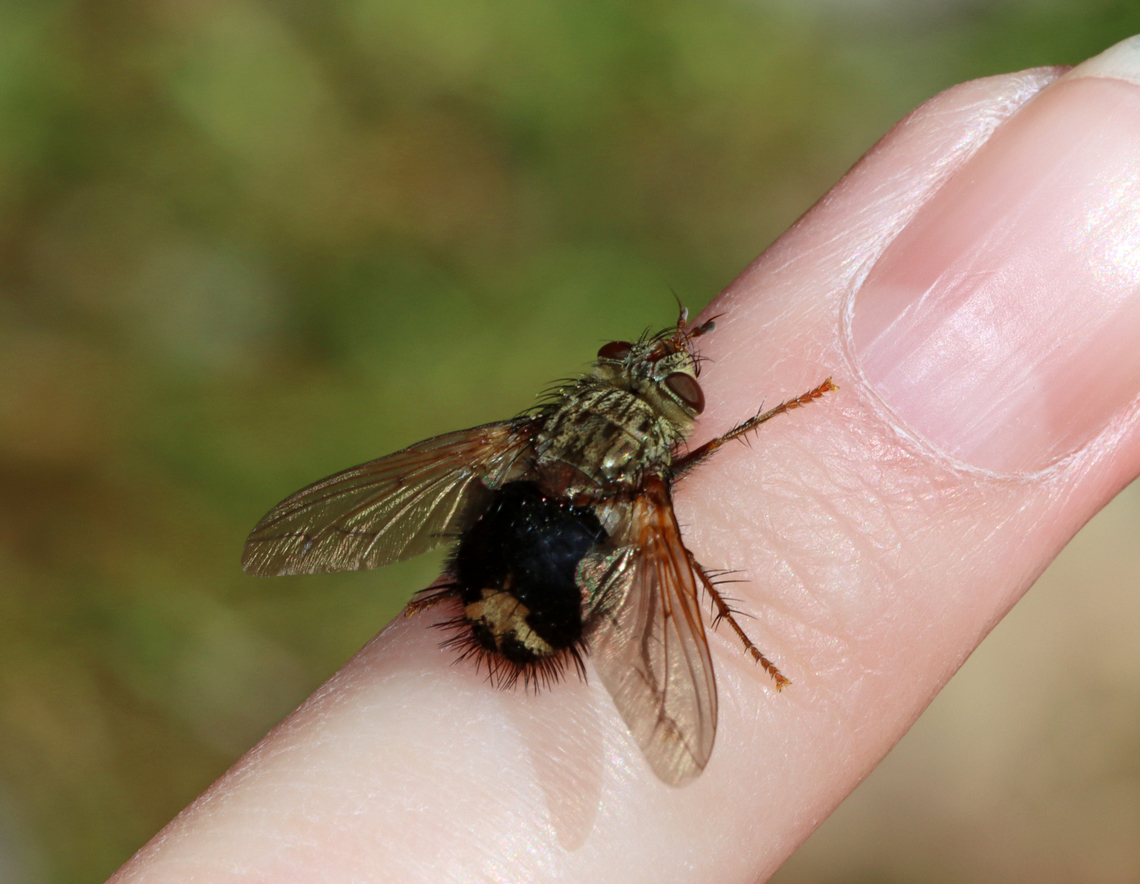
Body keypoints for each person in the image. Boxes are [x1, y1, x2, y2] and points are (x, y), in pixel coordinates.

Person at [107, 35, 1140, 883]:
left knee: (513, 499)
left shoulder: (517, 437)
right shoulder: (653, 486)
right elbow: (669, 593)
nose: (660, 368)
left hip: (511, 572)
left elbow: (402, 496)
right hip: (545, 589)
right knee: (665, 568)